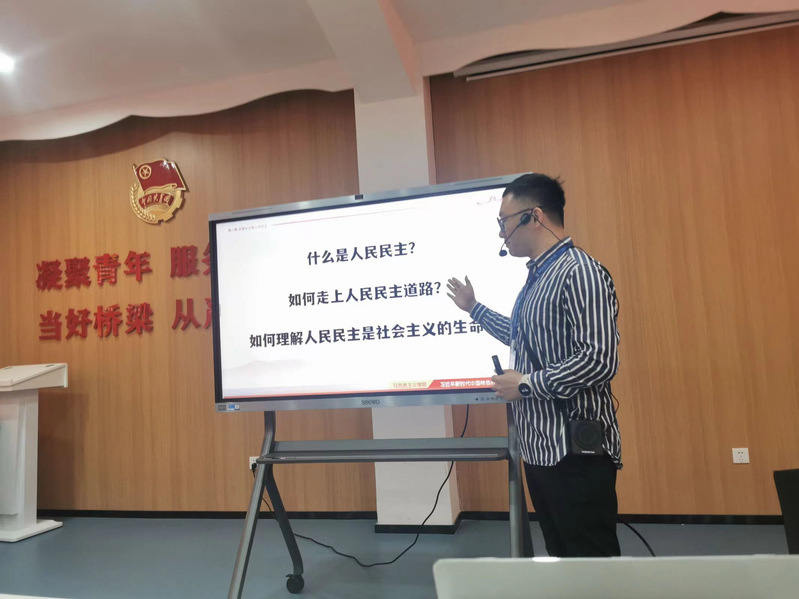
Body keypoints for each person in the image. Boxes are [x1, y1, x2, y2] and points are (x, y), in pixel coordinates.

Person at [447, 173, 622, 557]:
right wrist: (473, 308)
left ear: (535, 216)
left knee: (591, 564)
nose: (501, 234)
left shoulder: (579, 271)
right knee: (562, 557)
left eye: (504, 222)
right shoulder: (538, 278)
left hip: (574, 451)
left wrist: (525, 384)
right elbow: (521, 335)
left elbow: (599, 359)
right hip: (541, 447)